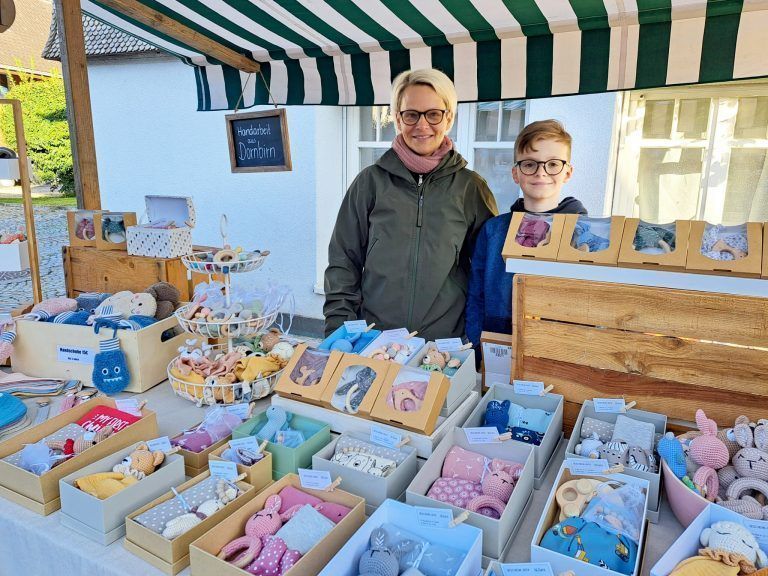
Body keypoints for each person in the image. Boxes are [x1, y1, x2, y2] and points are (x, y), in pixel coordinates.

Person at [324, 69, 498, 341]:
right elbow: (343, 262)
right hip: (375, 339)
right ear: (397, 118)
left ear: (449, 117)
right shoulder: (369, 183)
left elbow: (487, 270)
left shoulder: (470, 188)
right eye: (411, 114)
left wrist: (476, 336)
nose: (422, 125)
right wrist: (339, 331)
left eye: (433, 114)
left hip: (444, 344)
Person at [465, 119, 587, 348]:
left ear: (568, 173)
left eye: (552, 164)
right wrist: (477, 348)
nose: (541, 173)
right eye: (530, 164)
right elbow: (476, 297)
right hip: (497, 344)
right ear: (515, 173)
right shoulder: (493, 232)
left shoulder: (582, 235)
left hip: (555, 348)